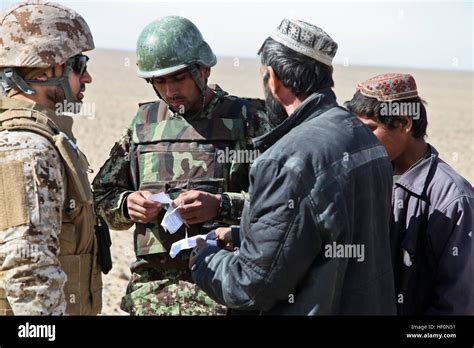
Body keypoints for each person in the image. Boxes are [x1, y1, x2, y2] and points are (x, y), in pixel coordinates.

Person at [189, 18, 397, 315]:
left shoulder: (285, 160)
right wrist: (240, 235)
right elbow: (324, 232)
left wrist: (204, 260)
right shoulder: (363, 137)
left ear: (273, 78)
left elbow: (250, 287)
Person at [92, 16, 271, 315]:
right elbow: (101, 194)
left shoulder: (248, 118)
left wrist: (222, 205)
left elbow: (283, 206)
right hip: (152, 296)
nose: (170, 90)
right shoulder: (144, 123)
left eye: (178, 78)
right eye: (159, 81)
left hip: (225, 289)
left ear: (204, 69)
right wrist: (127, 205)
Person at [0, 1, 103, 315]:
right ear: (46, 70)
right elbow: (29, 270)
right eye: (79, 65)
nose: (87, 79)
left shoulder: (40, 137)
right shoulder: (29, 148)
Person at [345, 73, 473, 315]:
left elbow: (458, 304)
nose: (360, 140)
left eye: (370, 129)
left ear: (405, 123)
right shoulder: (364, 178)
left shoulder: (452, 200)